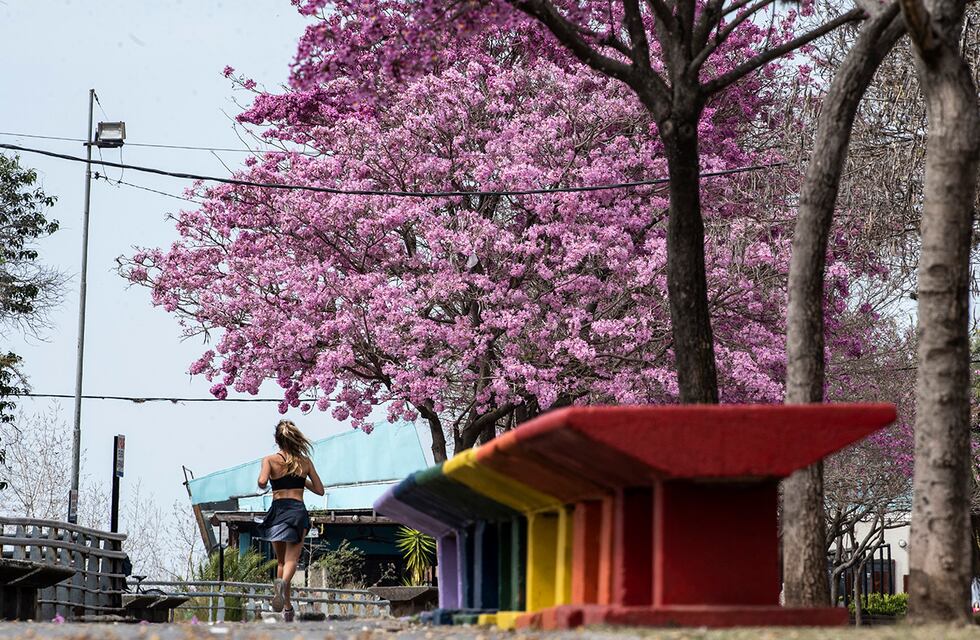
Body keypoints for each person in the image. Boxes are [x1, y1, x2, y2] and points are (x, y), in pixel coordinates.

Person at [257, 419, 324, 622]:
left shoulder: (269, 459)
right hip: (296, 511)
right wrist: (302, 480)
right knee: (292, 560)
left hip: (278, 510)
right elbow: (320, 490)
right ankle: (284, 595)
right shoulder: (304, 462)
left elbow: (261, 482)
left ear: (277, 440)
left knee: (281, 561)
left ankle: (286, 606)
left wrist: (267, 482)